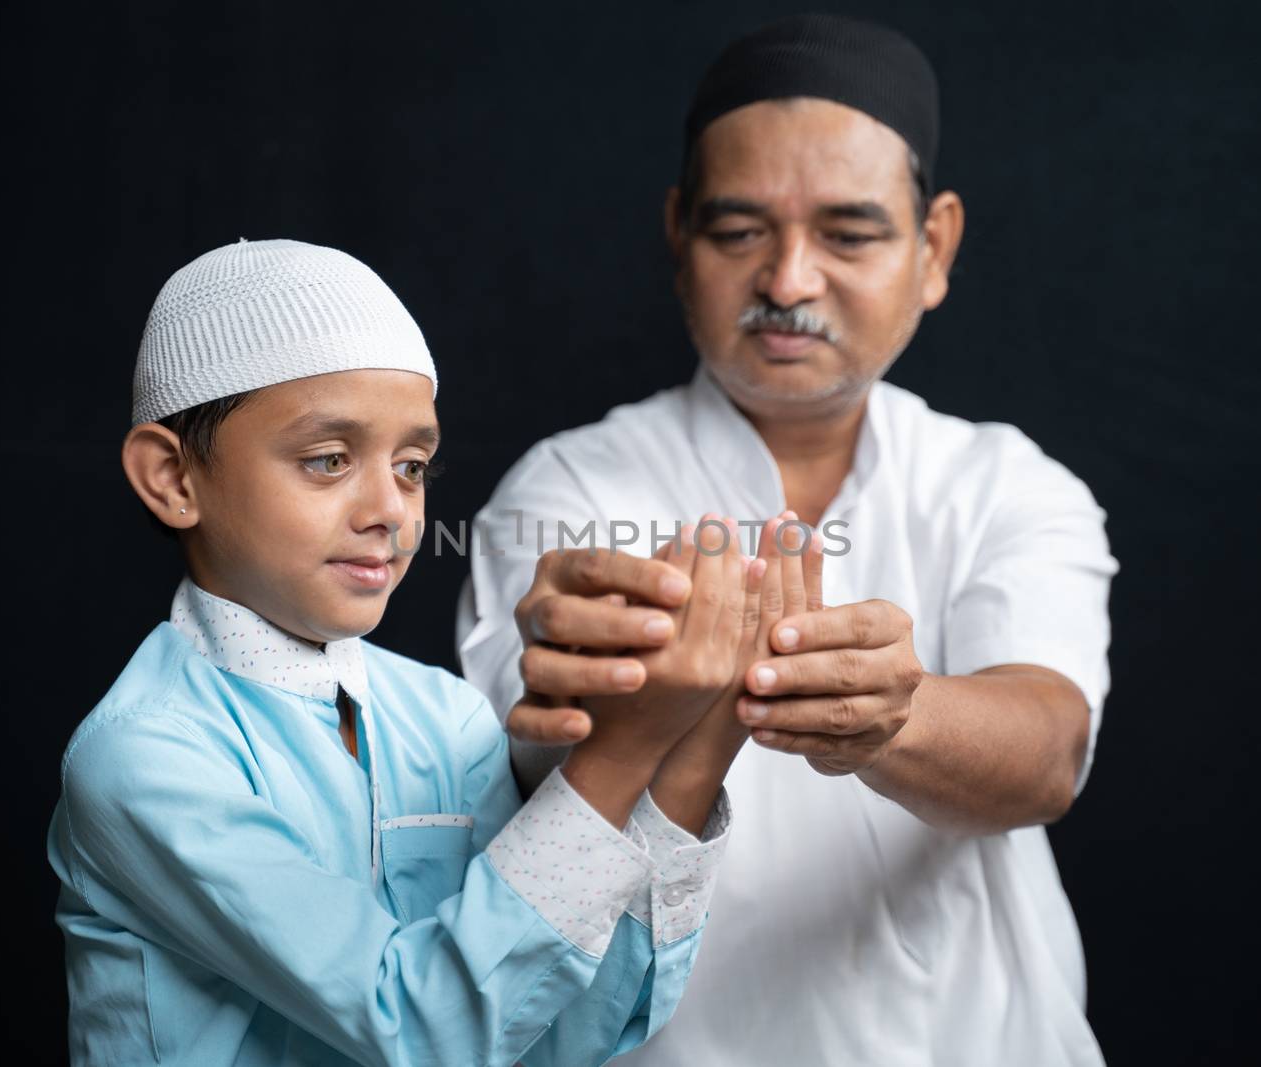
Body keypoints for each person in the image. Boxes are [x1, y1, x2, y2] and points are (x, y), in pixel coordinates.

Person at [457, 15, 1119, 1066]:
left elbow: (1048, 750)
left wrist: (889, 717)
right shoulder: (572, 486)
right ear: (679, 237)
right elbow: (515, 754)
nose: (789, 282)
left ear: (932, 246)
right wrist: (574, 705)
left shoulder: (1003, 484)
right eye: (738, 233)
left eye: (848, 235)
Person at [45, 238, 758, 1066]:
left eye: (413, 465)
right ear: (173, 479)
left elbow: (564, 1030)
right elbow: (418, 1027)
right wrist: (621, 751)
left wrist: (697, 742)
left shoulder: (446, 718)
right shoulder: (147, 756)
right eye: (328, 460)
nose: (391, 508)